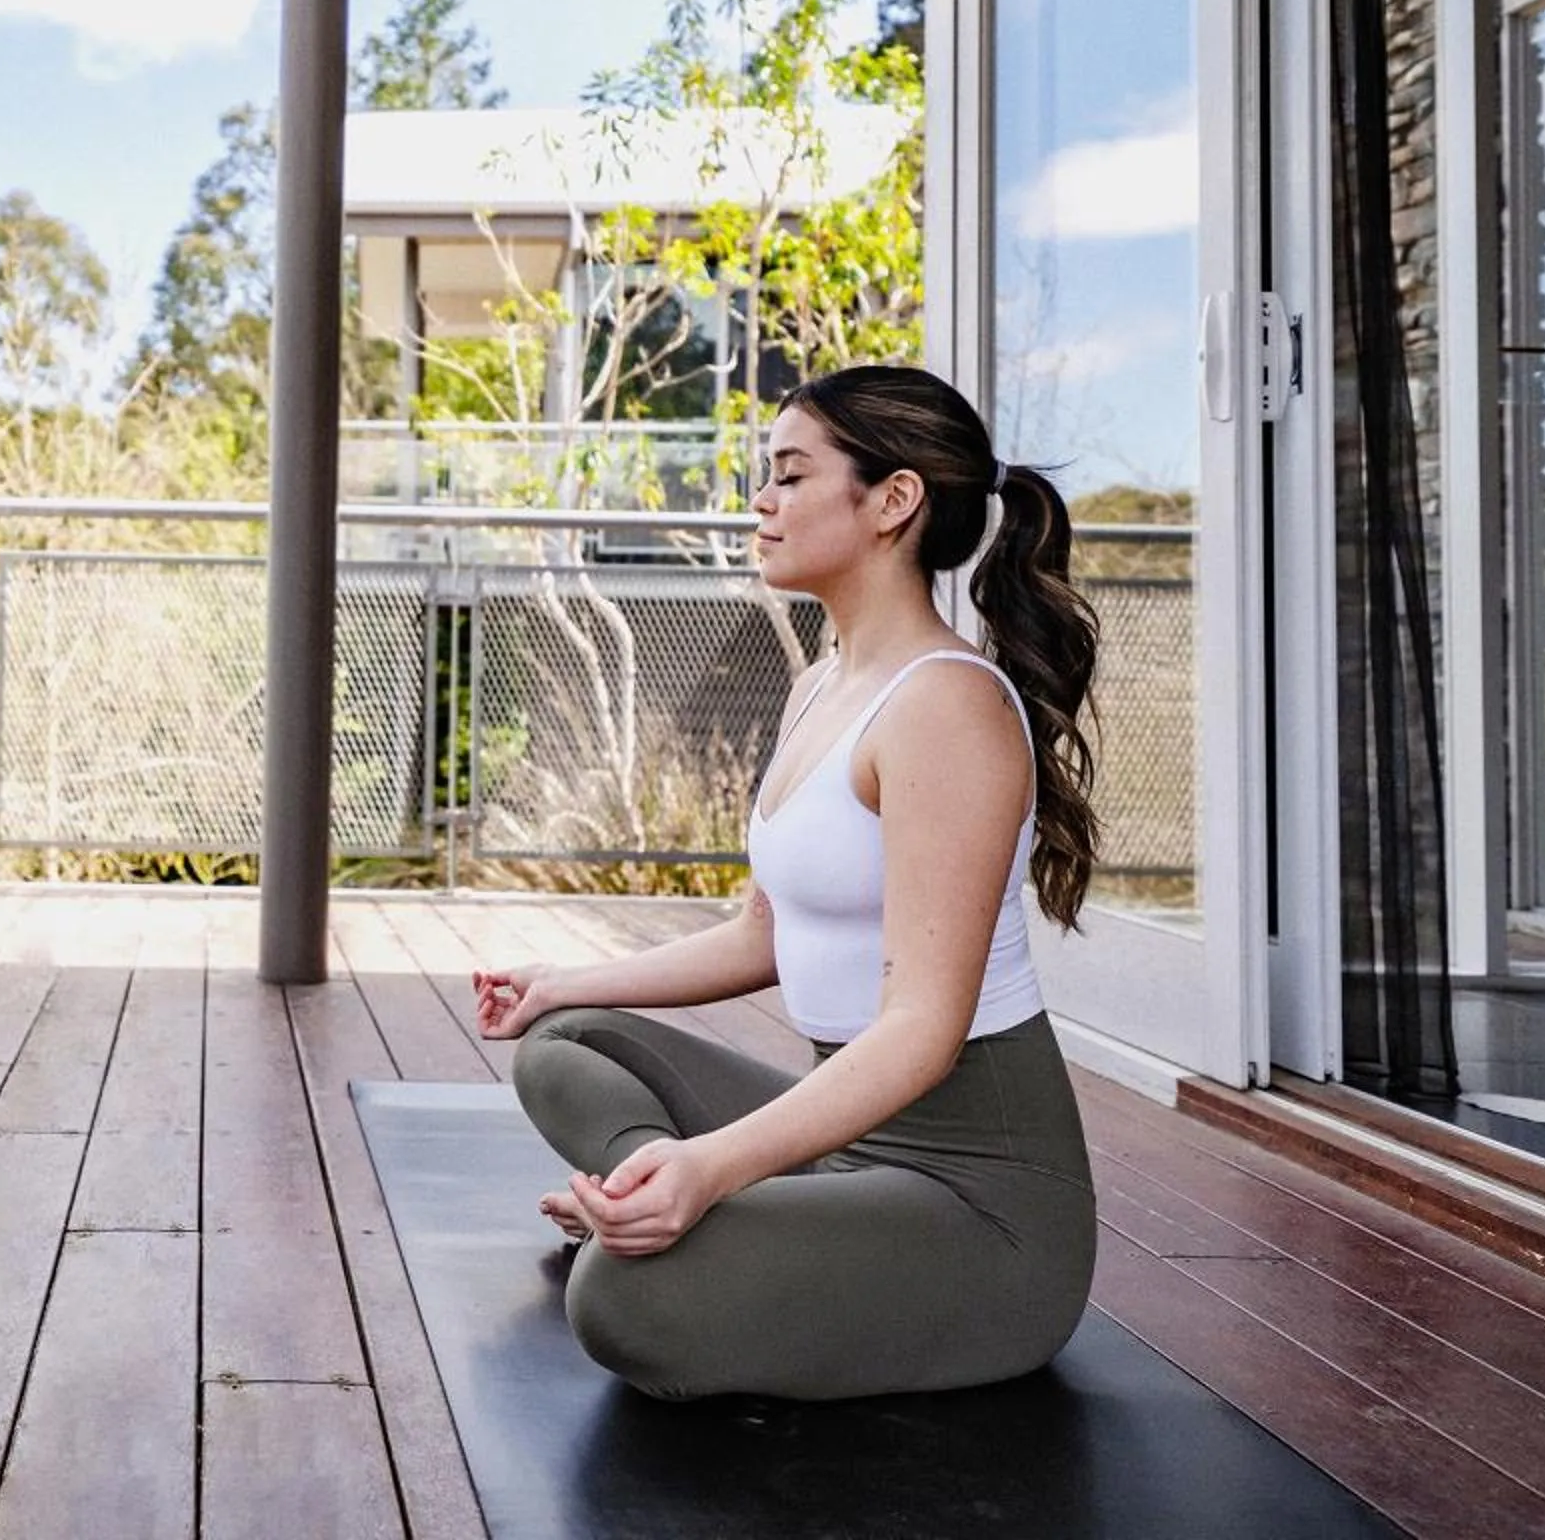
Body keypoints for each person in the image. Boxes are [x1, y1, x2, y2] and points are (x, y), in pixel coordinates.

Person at [471, 365, 1102, 1403]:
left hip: (977, 1205)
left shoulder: (945, 707)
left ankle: (673, 1214)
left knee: (621, 1303)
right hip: (844, 1141)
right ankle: (650, 1202)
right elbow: (760, 936)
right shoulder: (820, 686)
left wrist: (711, 1167)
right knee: (567, 1043)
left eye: (790, 474)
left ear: (893, 501)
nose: (761, 501)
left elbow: (923, 1029)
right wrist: (561, 981)